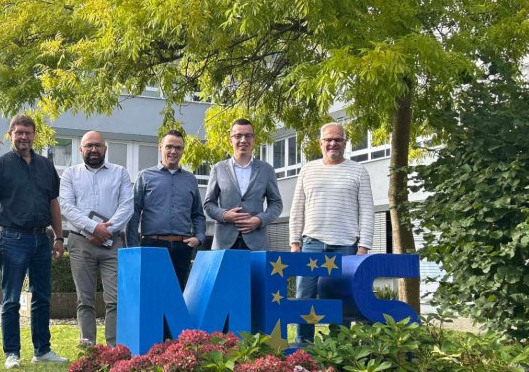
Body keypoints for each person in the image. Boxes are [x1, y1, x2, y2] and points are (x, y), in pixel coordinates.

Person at [0, 114, 67, 369]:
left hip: (42, 239)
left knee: (42, 297)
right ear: (10, 134)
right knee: (11, 299)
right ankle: (12, 353)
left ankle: (42, 350)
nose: (23, 137)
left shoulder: (46, 166)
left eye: (28, 133)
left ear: (34, 135)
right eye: (19, 132)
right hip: (12, 238)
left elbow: (53, 203)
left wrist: (59, 237)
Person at [290, 122, 374, 344]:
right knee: (304, 297)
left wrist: (363, 247)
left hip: (346, 246)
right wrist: (294, 243)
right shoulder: (307, 170)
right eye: (328, 139)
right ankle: (303, 347)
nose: (333, 143)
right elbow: (297, 207)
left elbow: (367, 210)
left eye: (338, 139)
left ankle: (339, 348)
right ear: (321, 143)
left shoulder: (358, 171)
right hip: (311, 244)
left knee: (341, 301)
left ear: (345, 143)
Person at [59, 131, 134, 346]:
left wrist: (106, 232)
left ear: (105, 149)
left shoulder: (120, 173)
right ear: (80, 150)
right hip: (81, 242)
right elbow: (66, 206)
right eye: (89, 146)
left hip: (112, 243)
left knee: (116, 300)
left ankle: (114, 348)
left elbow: (127, 205)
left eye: (98, 145)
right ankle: (88, 347)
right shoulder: (70, 174)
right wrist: (93, 228)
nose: (94, 149)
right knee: (85, 300)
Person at [127, 129, 206, 291]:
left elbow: (198, 214)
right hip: (152, 246)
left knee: (178, 295)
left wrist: (199, 237)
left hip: (182, 246)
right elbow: (134, 213)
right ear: (160, 147)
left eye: (178, 148)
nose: (173, 151)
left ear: (183, 150)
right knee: (152, 294)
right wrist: (133, 248)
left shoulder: (190, 179)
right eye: (169, 146)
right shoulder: (145, 176)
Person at [203, 119, 283, 250]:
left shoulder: (266, 169)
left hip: (256, 243)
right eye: (238, 136)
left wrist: (259, 220)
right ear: (231, 140)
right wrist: (224, 215)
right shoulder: (219, 168)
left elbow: (276, 204)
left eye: (248, 135)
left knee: (255, 272)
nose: (243, 140)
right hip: (225, 243)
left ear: (254, 140)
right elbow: (208, 204)